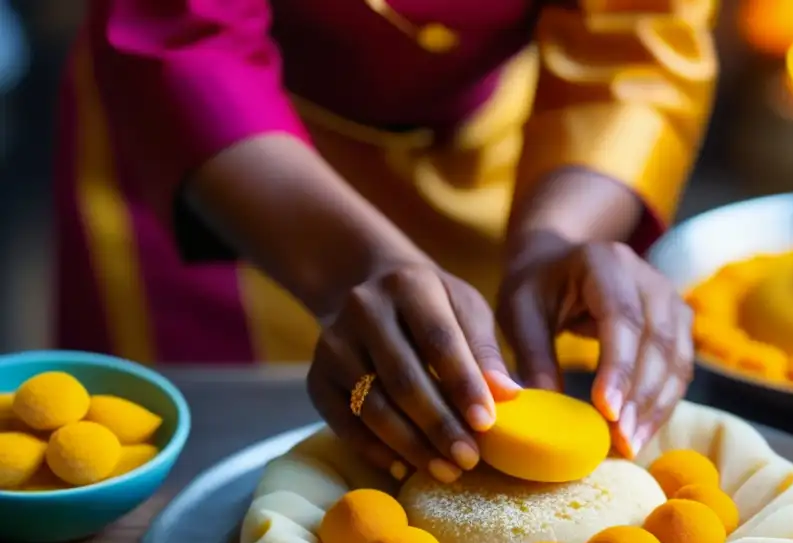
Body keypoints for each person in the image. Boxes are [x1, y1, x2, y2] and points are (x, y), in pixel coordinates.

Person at [56, 0, 717, 485]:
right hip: (215, 151)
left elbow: (638, 29)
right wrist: (350, 263)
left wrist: (558, 236)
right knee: (189, 480)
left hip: (518, 157)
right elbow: (185, 34)